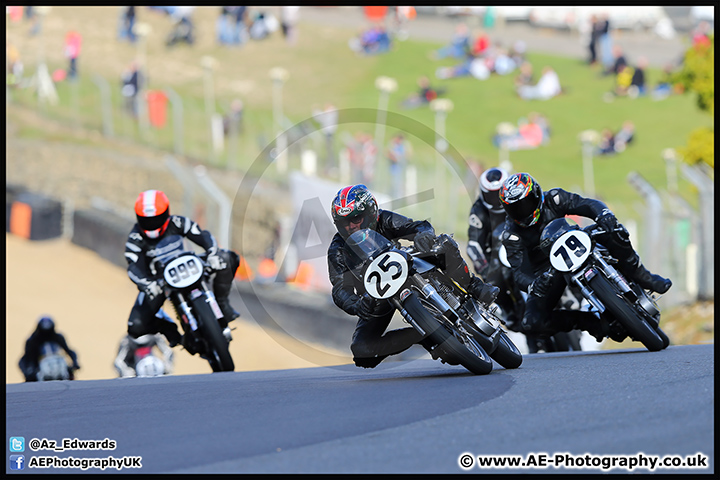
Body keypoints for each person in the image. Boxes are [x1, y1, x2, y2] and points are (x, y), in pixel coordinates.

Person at [327, 184, 499, 368]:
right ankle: (426, 335)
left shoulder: (384, 219)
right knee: (361, 351)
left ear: (370, 212)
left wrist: (423, 235)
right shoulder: (337, 250)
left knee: (443, 245)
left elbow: (419, 226)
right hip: (378, 295)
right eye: (345, 222)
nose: (352, 226)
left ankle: (474, 285)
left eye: (357, 219)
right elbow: (340, 289)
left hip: (405, 265)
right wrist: (357, 305)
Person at [498, 173, 672, 342]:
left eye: (525, 204)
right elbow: (519, 272)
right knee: (532, 323)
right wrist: (534, 284)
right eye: (514, 208)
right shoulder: (511, 235)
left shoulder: (555, 198)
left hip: (577, 239)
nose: (521, 211)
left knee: (616, 232)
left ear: (536, 194)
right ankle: (592, 323)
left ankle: (644, 277)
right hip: (549, 272)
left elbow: (588, 204)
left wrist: (604, 215)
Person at [125, 190, 241, 351]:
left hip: (190, 264)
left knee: (228, 258)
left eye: (156, 218)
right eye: (147, 220)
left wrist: (213, 253)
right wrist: (147, 284)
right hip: (158, 282)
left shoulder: (178, 222)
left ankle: (222, 304)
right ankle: (169, 330)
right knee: (136, 326)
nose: (152, 223)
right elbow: (133, 266)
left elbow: (202, 236)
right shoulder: (135, 238)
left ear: (166, 213)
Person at [19, 316, 80, 382]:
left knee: (70, 372)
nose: (46, 334)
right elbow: (25, 358)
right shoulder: (32, 340)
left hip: (58, 361)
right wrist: (28, 370)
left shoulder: (58, 337)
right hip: (40, 366)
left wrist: (75, 363)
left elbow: (69, 351)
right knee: (30, 379)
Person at [114, 313, 174, 378]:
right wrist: (126, 372)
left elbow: (168, 351)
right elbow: (118, 361)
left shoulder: (155, 335)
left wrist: (167, 365)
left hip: (154, 366)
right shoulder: (126, 341)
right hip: (134, 372)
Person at [386, 133, 412, 198]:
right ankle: (392, 195)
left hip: (400, 167)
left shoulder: (404, 146)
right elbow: (388, 153)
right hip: (393, 166)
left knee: (399, 183)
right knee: (393, 182)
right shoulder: (393, 145)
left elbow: (408, 155)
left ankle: (398, 197)